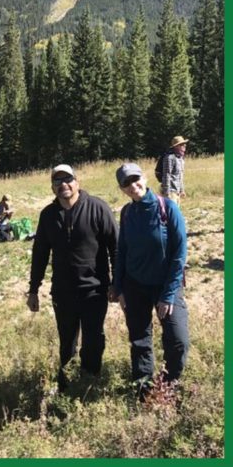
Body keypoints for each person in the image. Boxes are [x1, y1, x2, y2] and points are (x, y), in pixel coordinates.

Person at [27, 164, 117, 390]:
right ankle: (67, 386)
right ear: (52, 187)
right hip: (63, 291)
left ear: (77, 182)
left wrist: (118, 283)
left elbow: (116, 247)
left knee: (93, 340)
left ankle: (90, 382)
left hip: (94, 289)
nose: (63, 185)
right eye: (57, 182)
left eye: (67, 179)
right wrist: (33, 289)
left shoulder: (97, 208)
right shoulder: (48, 215)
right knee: (67, 342)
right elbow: (39, 254)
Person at [112, 162, 189, 398]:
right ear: (122, 189)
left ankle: (168, 384)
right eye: (126, 183)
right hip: (135, 286)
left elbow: (179, 254)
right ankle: (143, 389)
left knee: (178, 340)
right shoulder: (127, 213)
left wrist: (168, 294)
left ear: (144, 178)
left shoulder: (168, 208)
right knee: (140, 340)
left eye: (135, 179)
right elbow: (122, 251)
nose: (132, 185)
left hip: (166, 284)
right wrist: (118, 287)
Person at [159, 136, 189, 205]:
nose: (184, 146)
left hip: (177, 191)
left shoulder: (180, 158)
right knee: (170, 214)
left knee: (176, 212)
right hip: (170, 192)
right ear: (176, 146)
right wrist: (167, 193)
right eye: (182, 144)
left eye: (184, 144)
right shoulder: (169, 158)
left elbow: (180, 176)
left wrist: (182, 190)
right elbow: (166, 175)